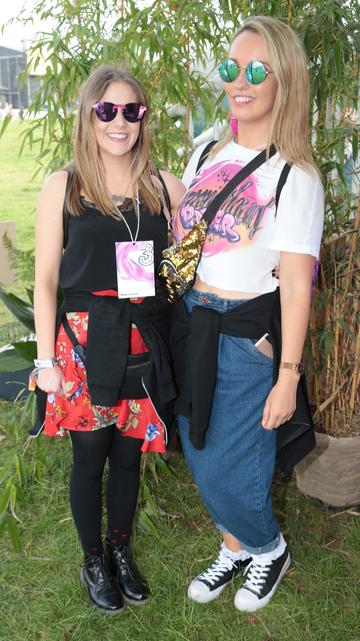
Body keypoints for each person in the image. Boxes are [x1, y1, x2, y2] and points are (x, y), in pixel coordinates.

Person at [171, 16, 324, 612]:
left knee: (231, 459)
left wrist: (287, 374)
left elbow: (295, 286)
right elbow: (188, 230)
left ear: (284, 80)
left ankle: (267, 547)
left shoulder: (296, 175)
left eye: (257, 70)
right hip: (191, 319)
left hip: (243, 335)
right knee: (195, 440)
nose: (240, 80)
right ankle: (234, 545)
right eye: (232, 67)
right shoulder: (208, 148)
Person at [33, 64, 185, 614]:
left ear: (143, 117)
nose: (119, 122)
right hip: (82, 342)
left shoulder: (165, 187)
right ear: (88, 115)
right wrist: (44, 359)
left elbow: (185, 269)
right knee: (90, 455)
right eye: (106, 110)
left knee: (128, 455)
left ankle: (121, 550)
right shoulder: (64, 185)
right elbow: (46, 278)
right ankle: (93, 556)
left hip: (143, 336)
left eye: (131, 110)